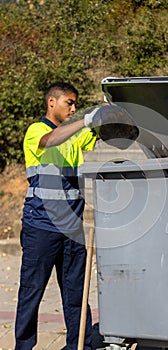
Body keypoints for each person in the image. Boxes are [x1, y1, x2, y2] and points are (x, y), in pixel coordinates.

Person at [14, 82, 102, 350]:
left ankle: (80, 346)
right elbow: (51, 140)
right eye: (69, 103)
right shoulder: (36, 131)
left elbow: (103, 134)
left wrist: (109, 115)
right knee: (32, 292)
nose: (73, 108)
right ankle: (24, 346)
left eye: (76, 104)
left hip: (72, 228)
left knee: (76, 294)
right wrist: (84, 121)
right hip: (40, 227)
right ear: (52, 102)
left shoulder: (76, 135)